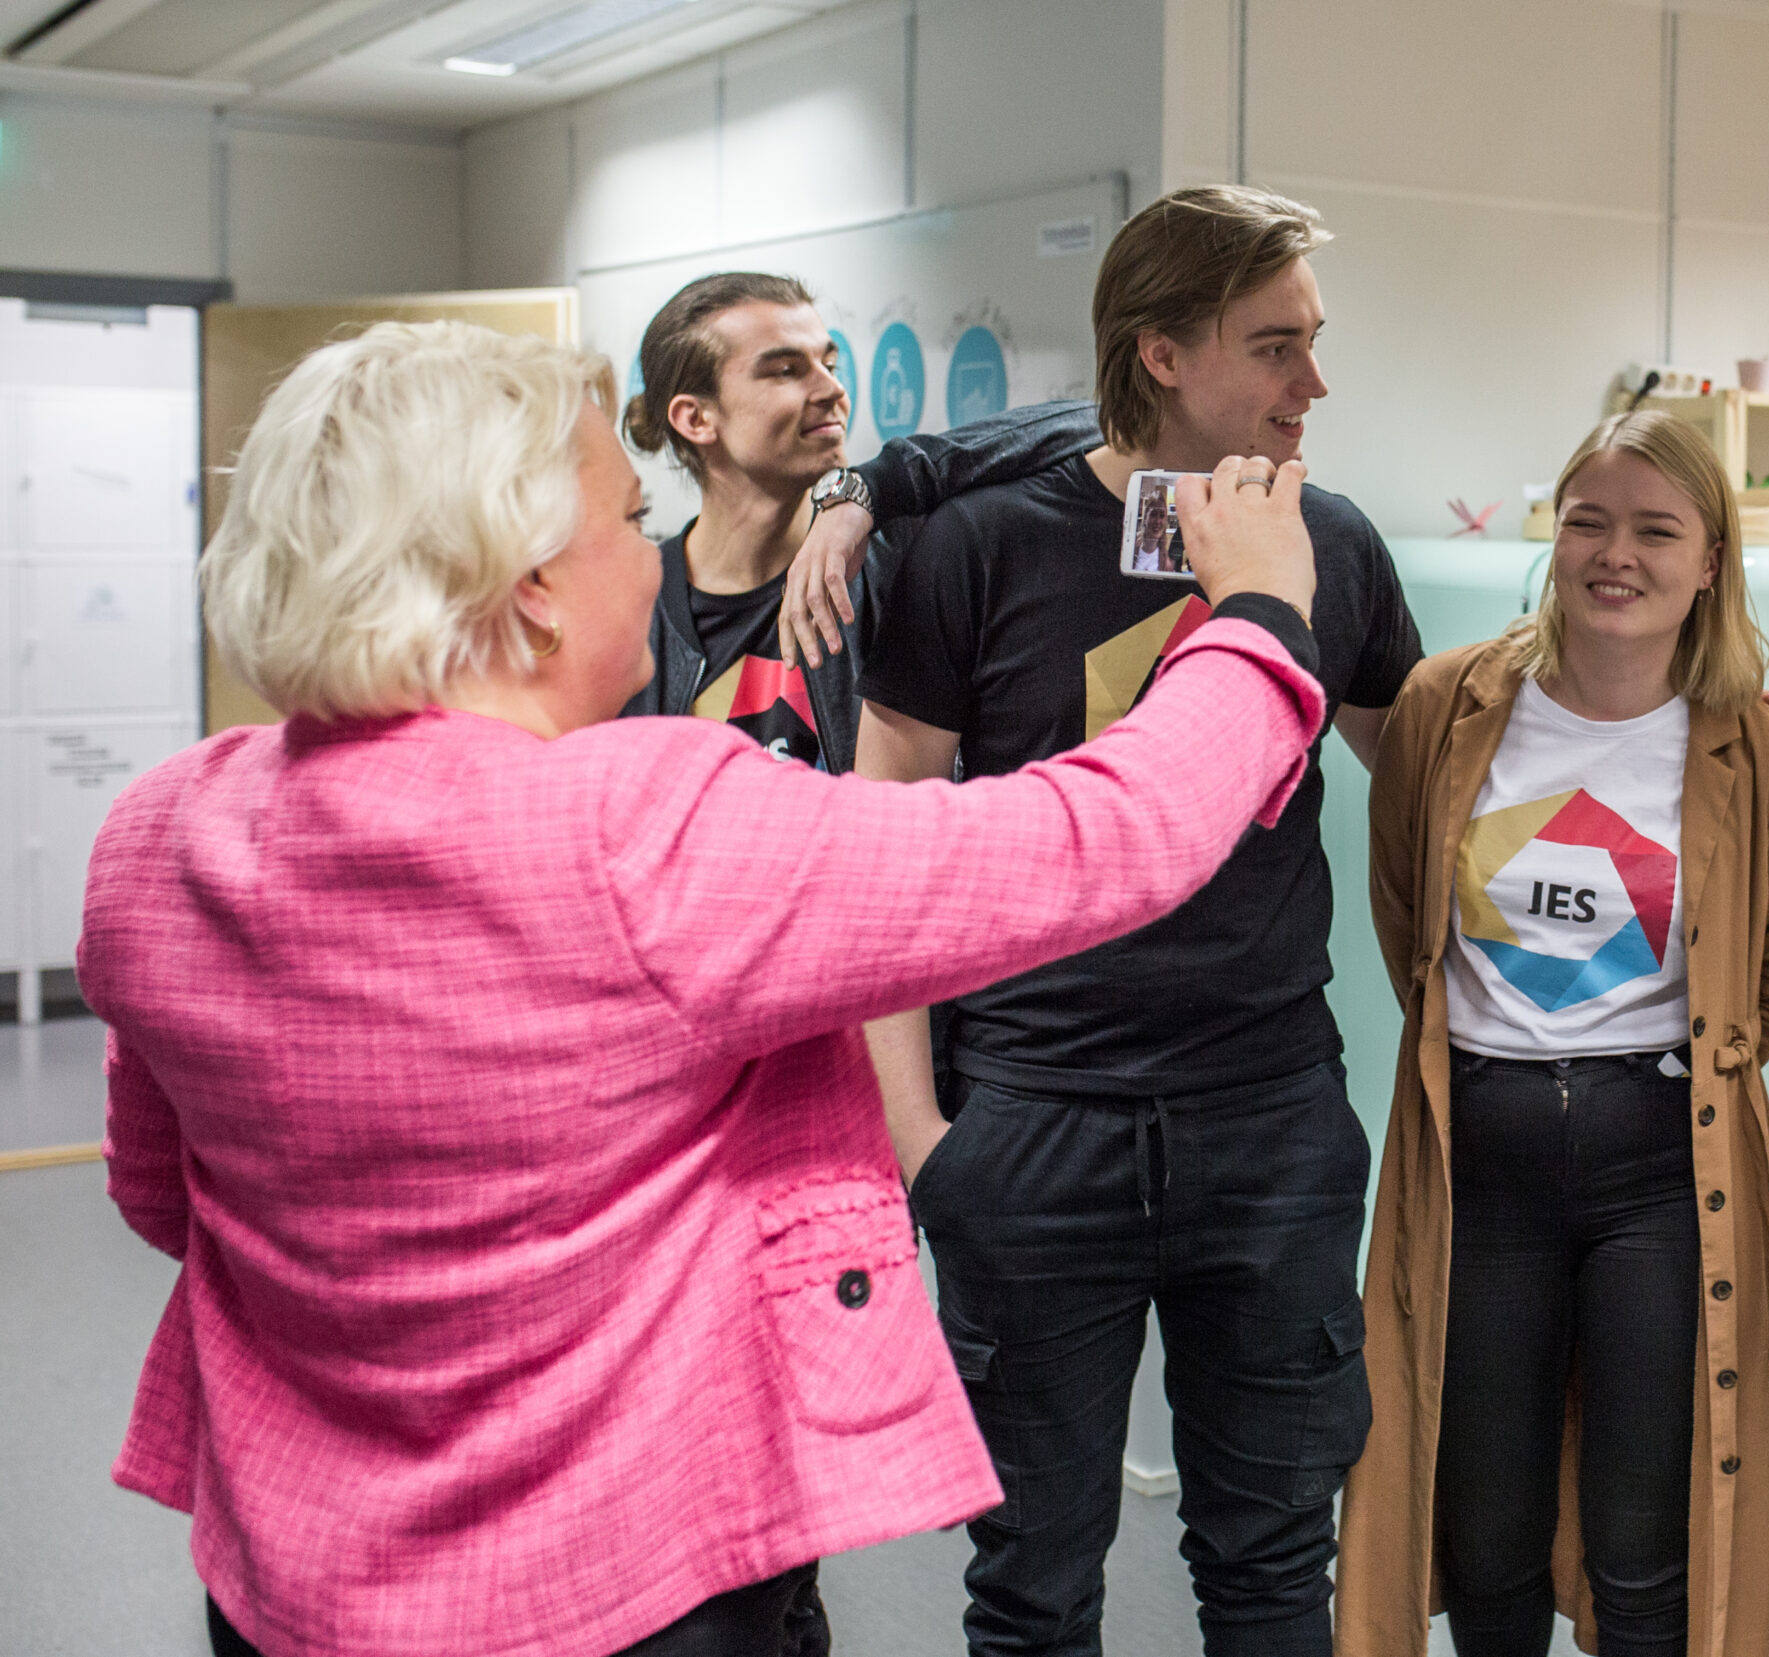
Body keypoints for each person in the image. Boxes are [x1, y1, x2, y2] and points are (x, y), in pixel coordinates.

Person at [78, 319, 1329, 1657]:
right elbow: (1105, 840)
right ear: (534, 586)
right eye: (624, 515)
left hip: (286, 1584)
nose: (650, 547)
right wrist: (1256, 611)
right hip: (627, 1591)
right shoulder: (641, 833)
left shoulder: (163, 832)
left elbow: (165, 1199)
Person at [843, 185, 1422, 1657]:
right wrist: (919, 1136)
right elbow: (883, 841)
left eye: (1315, 342)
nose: (1315, 384)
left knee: (1277, 1558)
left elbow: (1429, 770)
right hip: (1037, 1123)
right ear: (1161, 353)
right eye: (1275, 345)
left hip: (1270, 1120)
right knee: (1033, 1579)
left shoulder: (1331, 547)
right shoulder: (982, 547)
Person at [1334, 410, 1769, 1657]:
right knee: (1485, 1529)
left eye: (1656, 530)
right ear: (1551, 537)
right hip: (1481, 1167)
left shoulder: (1759, 746)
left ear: (1711, 560)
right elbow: (1408, 915)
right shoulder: (1448, 706)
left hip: (1661, 1173)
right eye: (1588, 521)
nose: (1617, 554)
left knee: (1642, 1540)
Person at [617, 271, 1093, 768]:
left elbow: (1092, 426)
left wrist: (872, 485)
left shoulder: (894, 563)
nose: (832, 389)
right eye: (784, 370)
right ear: (695, 419)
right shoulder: (632, 607)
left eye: (828, 363)